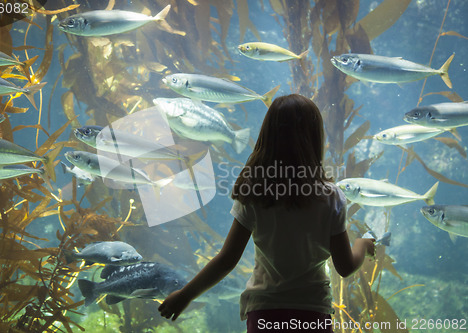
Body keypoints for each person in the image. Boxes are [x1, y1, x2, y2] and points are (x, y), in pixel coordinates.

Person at [158, 94, 375, 332]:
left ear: (267, 137)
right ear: (315, 138)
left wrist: (185, 295)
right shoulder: (331, 197)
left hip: (265, 311)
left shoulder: (255, 193)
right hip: (312, 312)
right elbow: (344, 266)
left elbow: (227, 260)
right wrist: (362, 245)